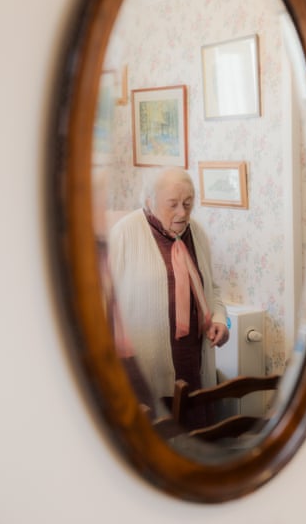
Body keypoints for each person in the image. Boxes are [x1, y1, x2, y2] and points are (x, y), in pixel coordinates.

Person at [108, 167, 229, 428]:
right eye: (172, 204)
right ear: (150, 201)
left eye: (188, 203)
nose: (182, 213)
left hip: (193, 361)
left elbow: (212, 290)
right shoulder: (124, 234)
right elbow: (104, 303)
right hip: (145, 364)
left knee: (196, 438)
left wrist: (220, 319)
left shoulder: (196, 233)